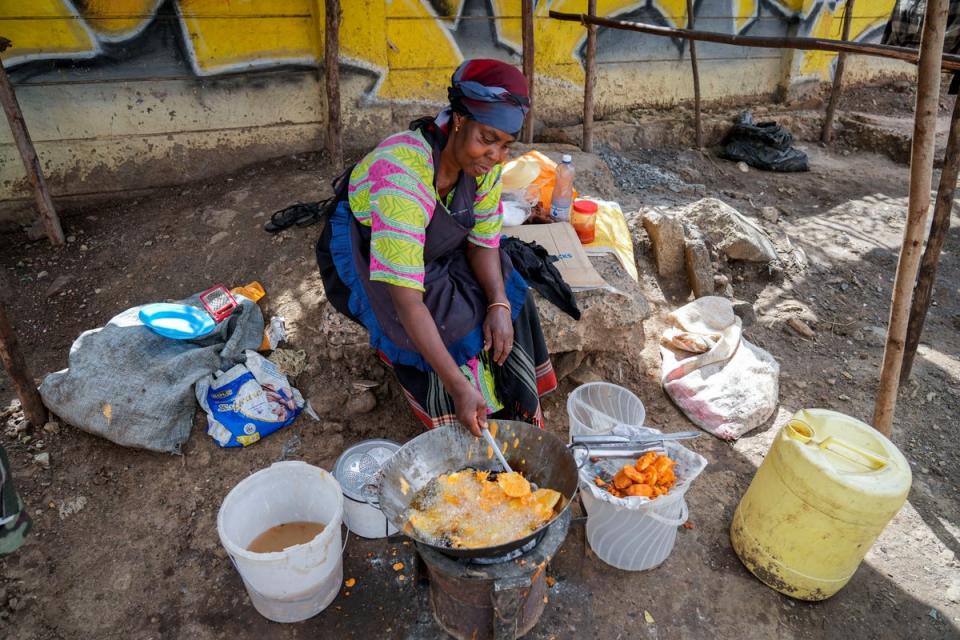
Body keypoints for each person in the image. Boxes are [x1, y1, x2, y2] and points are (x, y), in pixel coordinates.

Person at [317, 59, 557, 436]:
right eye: (488, 139)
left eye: (506, 145)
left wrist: (498, 303)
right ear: (459, 120)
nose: (496, 156)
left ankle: (515, 410)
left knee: (513, 294)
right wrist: (457, 385)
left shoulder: (485, 168)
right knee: (451, 328)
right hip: (371, 245)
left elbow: (483, 242)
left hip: (435, 242)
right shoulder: (401, 175)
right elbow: (408, 301)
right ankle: (461, 419)